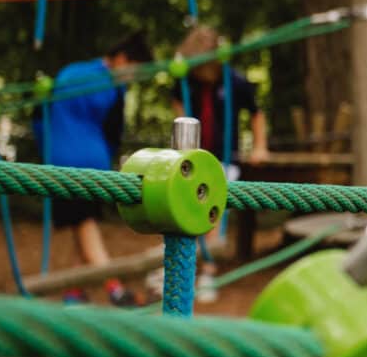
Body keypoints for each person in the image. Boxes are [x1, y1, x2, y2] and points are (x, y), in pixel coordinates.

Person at [32, 30, 152, 306]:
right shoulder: (112, 88)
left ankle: (75, 292)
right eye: (134, 71)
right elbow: (113, 133)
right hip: (89, 164)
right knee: (86, 225)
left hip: (60, 161)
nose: (133, 79)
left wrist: (47, 151)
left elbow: (40, 119)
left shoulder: (69, 73)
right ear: (122, 59)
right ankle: (115, 289)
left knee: (82, 226)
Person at [174, 23, 269, 166]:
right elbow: (177, 100)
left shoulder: (235, 81)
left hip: (227, 161)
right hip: (193, 159)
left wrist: (260, 147)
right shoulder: (187, 81)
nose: (200, 71)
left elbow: (256, 114)